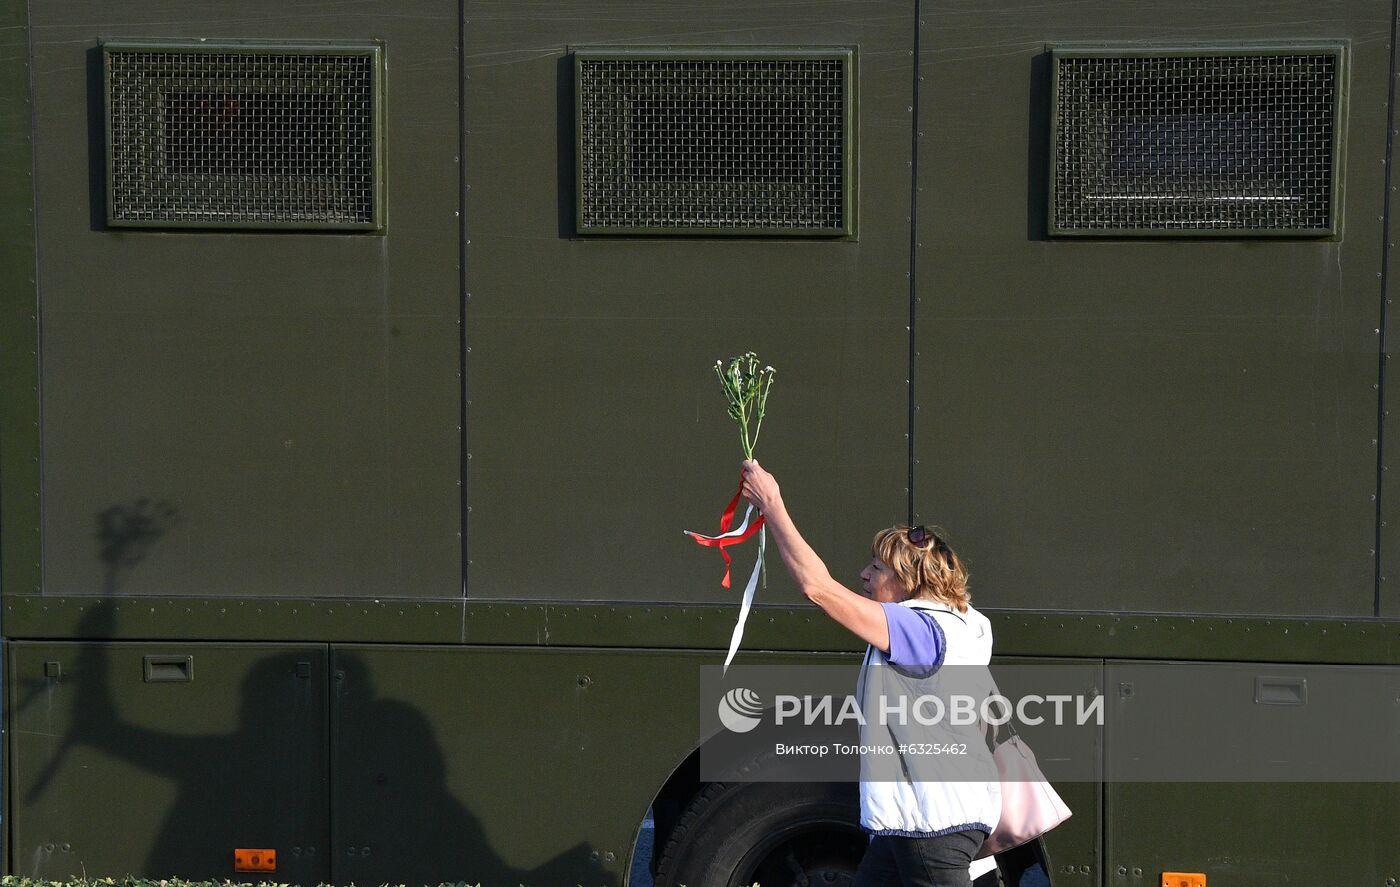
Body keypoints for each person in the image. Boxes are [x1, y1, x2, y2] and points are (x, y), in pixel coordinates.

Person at [739, 458, 1001, 887]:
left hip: (929, 824)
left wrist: (773, 505)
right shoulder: (962, 623)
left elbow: (817, 588)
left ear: (909, 579)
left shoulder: (917, 629)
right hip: (932, 819)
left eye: (877, 568)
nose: (864, 573)